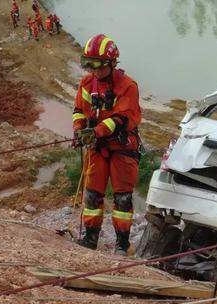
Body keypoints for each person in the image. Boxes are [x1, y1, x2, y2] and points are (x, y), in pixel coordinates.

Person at [73, 34, 142, 255]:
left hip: (122, 148)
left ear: (112, 63)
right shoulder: (87, 84)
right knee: (92, 194)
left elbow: (121, 118)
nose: (94, 71)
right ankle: (90, 239)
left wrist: (95, 132)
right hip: (97, 148)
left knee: (122, 199)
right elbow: (78, 111)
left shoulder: (128, 86)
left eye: (98, 66)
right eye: (89, 66)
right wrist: (78, 131)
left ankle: (122, 244)